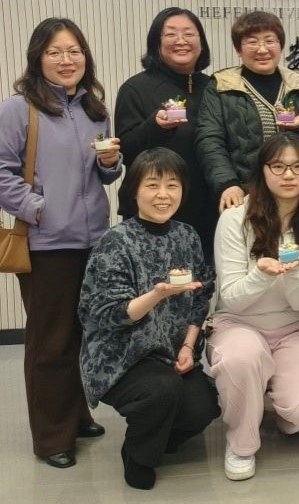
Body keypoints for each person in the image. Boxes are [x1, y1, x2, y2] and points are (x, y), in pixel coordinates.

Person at [0, 17, 122, 468]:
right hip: (46, 245)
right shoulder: (19, 109)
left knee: (80, 334)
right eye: (55, 52)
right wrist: (38, 208)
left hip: (93, 240)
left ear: (85, 57)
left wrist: (112, 163)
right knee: (50, 342)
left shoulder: (94, 109)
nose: (66, 60)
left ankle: (76, 416)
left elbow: (104, 175)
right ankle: (51, 437)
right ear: (38, 57)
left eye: (74, 51)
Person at [78, 148, 218, 490]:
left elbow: (200, 297)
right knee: (161, 391)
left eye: (172, 185)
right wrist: (157, 294)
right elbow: (108, 313)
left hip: (170, 353)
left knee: (204, 406)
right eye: (152, 185)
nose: (163, 195)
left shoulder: (187, 235)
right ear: (134, 191)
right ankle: (139, 457)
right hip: (120, 356)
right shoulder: (116, 242)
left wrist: (188, 348)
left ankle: (155, 435)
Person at [210, 134, 299, 481]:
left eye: (298, 166)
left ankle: (278, 400)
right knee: (241, 358)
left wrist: (292, 271)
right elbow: (232, 297)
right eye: (278, 166)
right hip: (239, 323)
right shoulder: (235, 219)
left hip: (295, 327)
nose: (289, 175)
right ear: (262, 170)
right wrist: (262, 274)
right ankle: (241, 443)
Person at [114, 7, 216, 260]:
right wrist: (156, 127)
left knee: (201, 281)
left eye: (189, 34)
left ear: (201, 43)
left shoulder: (214, 88)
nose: (181, 41)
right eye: (170, 34)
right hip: (154, 214)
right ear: (156, 43)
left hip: (207, 214)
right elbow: (126, 151)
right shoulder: (135, 88)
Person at [198, 10, 299, 214]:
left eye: (270, 41)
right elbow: (210, 139)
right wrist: (227, 183)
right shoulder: (221, 86)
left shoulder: (298, 86)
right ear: (238, 49)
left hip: (293, 194)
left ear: (281, 46)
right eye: (252, 42)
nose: (262, 49)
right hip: (242, 194)